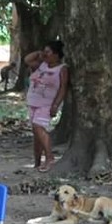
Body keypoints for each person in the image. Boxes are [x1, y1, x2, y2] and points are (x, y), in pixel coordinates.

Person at [24, 40, 69, 172]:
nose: (45, 55)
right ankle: (37, 162)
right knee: (36, 133)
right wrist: (39, 53)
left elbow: (63, 88)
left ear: (56, 55)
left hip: (47, 104)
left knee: (40, 127)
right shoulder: (41, 65)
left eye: (48, 52)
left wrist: (56, 105)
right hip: (33, 102)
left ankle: (49, 158)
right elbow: (27, 60)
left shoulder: (62, 69)